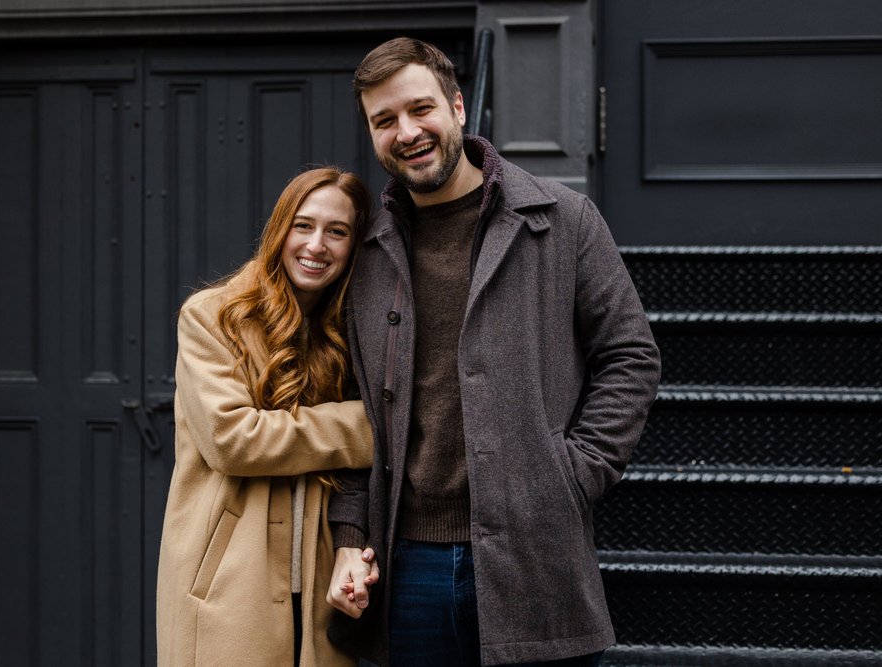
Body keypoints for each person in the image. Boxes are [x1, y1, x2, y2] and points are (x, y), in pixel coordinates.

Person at [326, 37, 662, 666]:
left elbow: (630, 355)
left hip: (536, 554)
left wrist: (573, 472)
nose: (407, 132)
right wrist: (348, 533)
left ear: (457, 107)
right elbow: (350, 402)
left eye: (420, 109)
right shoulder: (366, 251)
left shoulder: (562, 218)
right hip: (406, 567)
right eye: (385, 120)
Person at [156, 167, 379, 666]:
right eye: (303, 226)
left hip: (320, 583)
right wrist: (367, 426)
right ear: (280, 229)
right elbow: (233, 440)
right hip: (228, 581)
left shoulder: (350, 332)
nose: (317, 245)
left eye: (337, 232)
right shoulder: (213, 317)